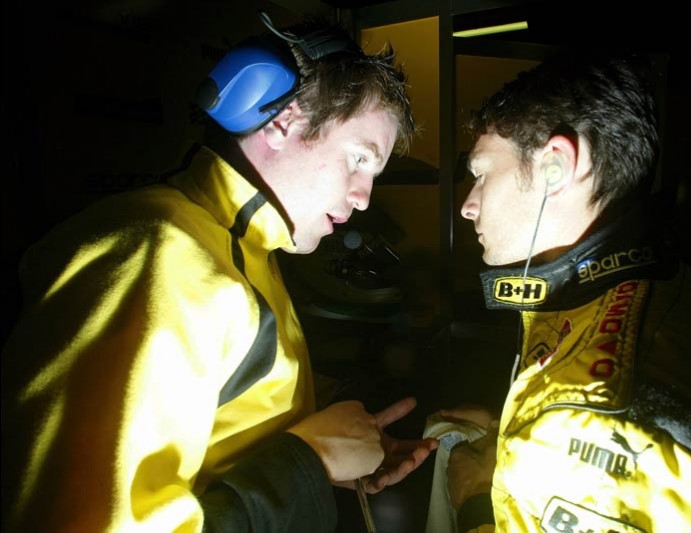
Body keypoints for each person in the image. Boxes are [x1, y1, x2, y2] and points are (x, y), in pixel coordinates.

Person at [1, 17, 437, 532]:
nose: (363, 197)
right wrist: (309, 461)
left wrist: (331, 460)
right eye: (359, 158)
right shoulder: (161, 253)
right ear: (283, 122)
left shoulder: (243, 249)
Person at [444, 52, 691, 532]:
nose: (467, 206)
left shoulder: (586, 425)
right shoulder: (672, 285)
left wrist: (477, 497)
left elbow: (597, 441)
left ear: (556, 166)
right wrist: (514, 437)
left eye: (480, 174)